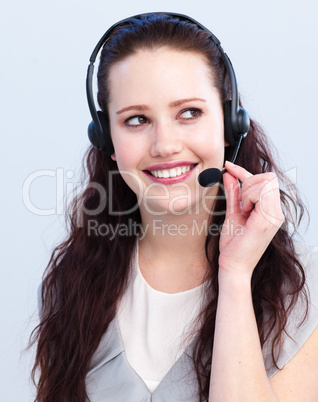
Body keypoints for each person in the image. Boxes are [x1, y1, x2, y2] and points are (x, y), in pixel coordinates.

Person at [31, 12, 318, 401]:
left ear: (231, 123)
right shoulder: (78, 280)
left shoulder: (300, 288)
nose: (164, 145)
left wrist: (234, 274)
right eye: (136, 119)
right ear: (106, 139)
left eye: (189, 113)